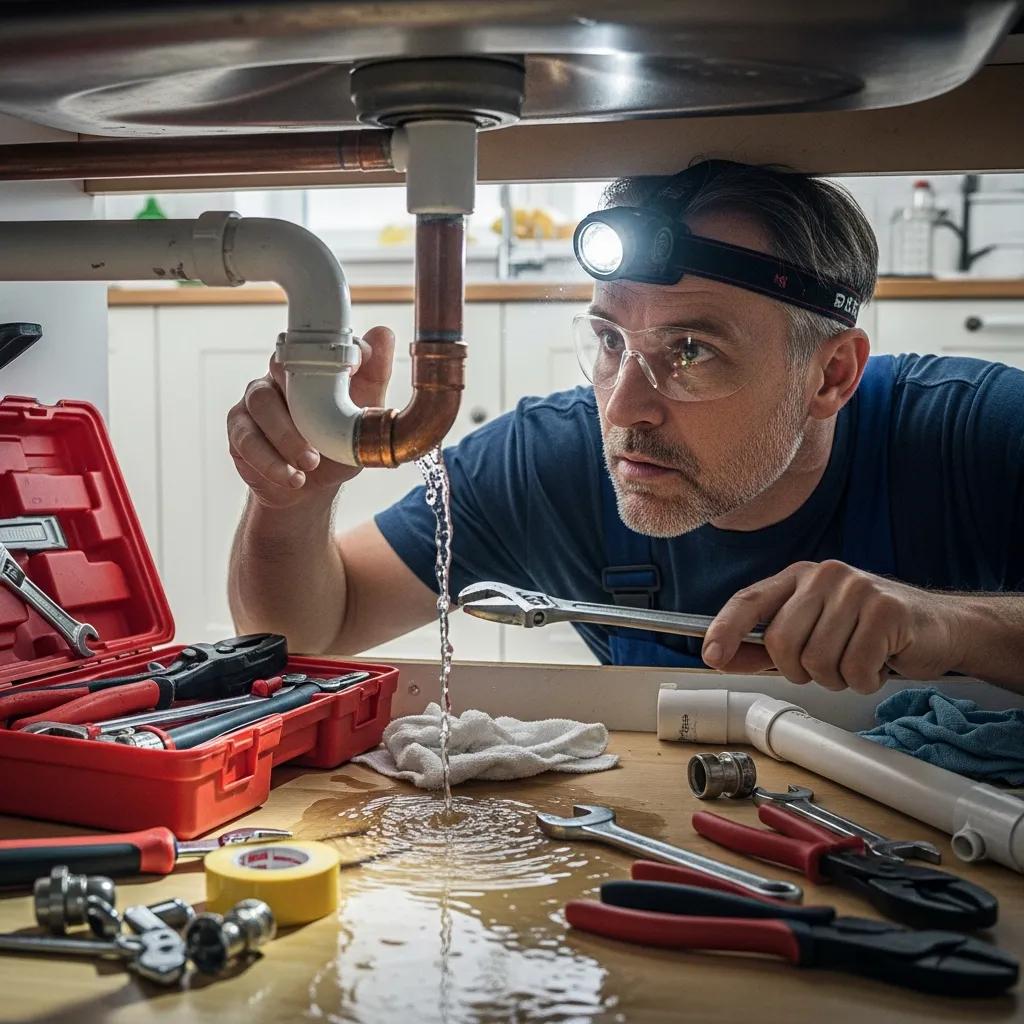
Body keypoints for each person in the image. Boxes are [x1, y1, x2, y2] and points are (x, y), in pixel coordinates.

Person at [226, 160, 1024, 695]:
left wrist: (949, 624)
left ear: (831, 374)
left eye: (691, 350)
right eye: (611, 342)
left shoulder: (973, 434)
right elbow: (305, 630)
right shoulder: (554, 460)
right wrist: (293, 497)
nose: (622, 409)